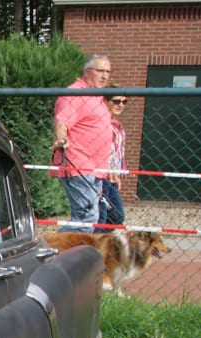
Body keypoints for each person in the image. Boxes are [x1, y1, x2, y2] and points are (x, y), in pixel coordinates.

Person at [52, 55, 113, 230]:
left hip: (95, 167)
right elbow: (61, 121)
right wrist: (61, 139)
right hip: (77, 163)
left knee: (90, 216)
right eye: (100, 71)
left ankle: (69, 252)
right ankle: (53, 250)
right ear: (87, 71)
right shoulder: (75, 93)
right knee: (86, 217)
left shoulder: (97, 96)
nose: (104, 76)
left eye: (108, 72)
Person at [99, 93, 128, 227]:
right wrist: (107, 167)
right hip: (101, 174)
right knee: (100, 216)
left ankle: (101, 244)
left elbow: (118, 152)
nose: (120, 105)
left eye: (124, 102)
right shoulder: (100, 123)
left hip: (112, 176)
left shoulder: (117, 124)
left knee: (116, 216)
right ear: (105, 101)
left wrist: (118, 173)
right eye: (116, 101)